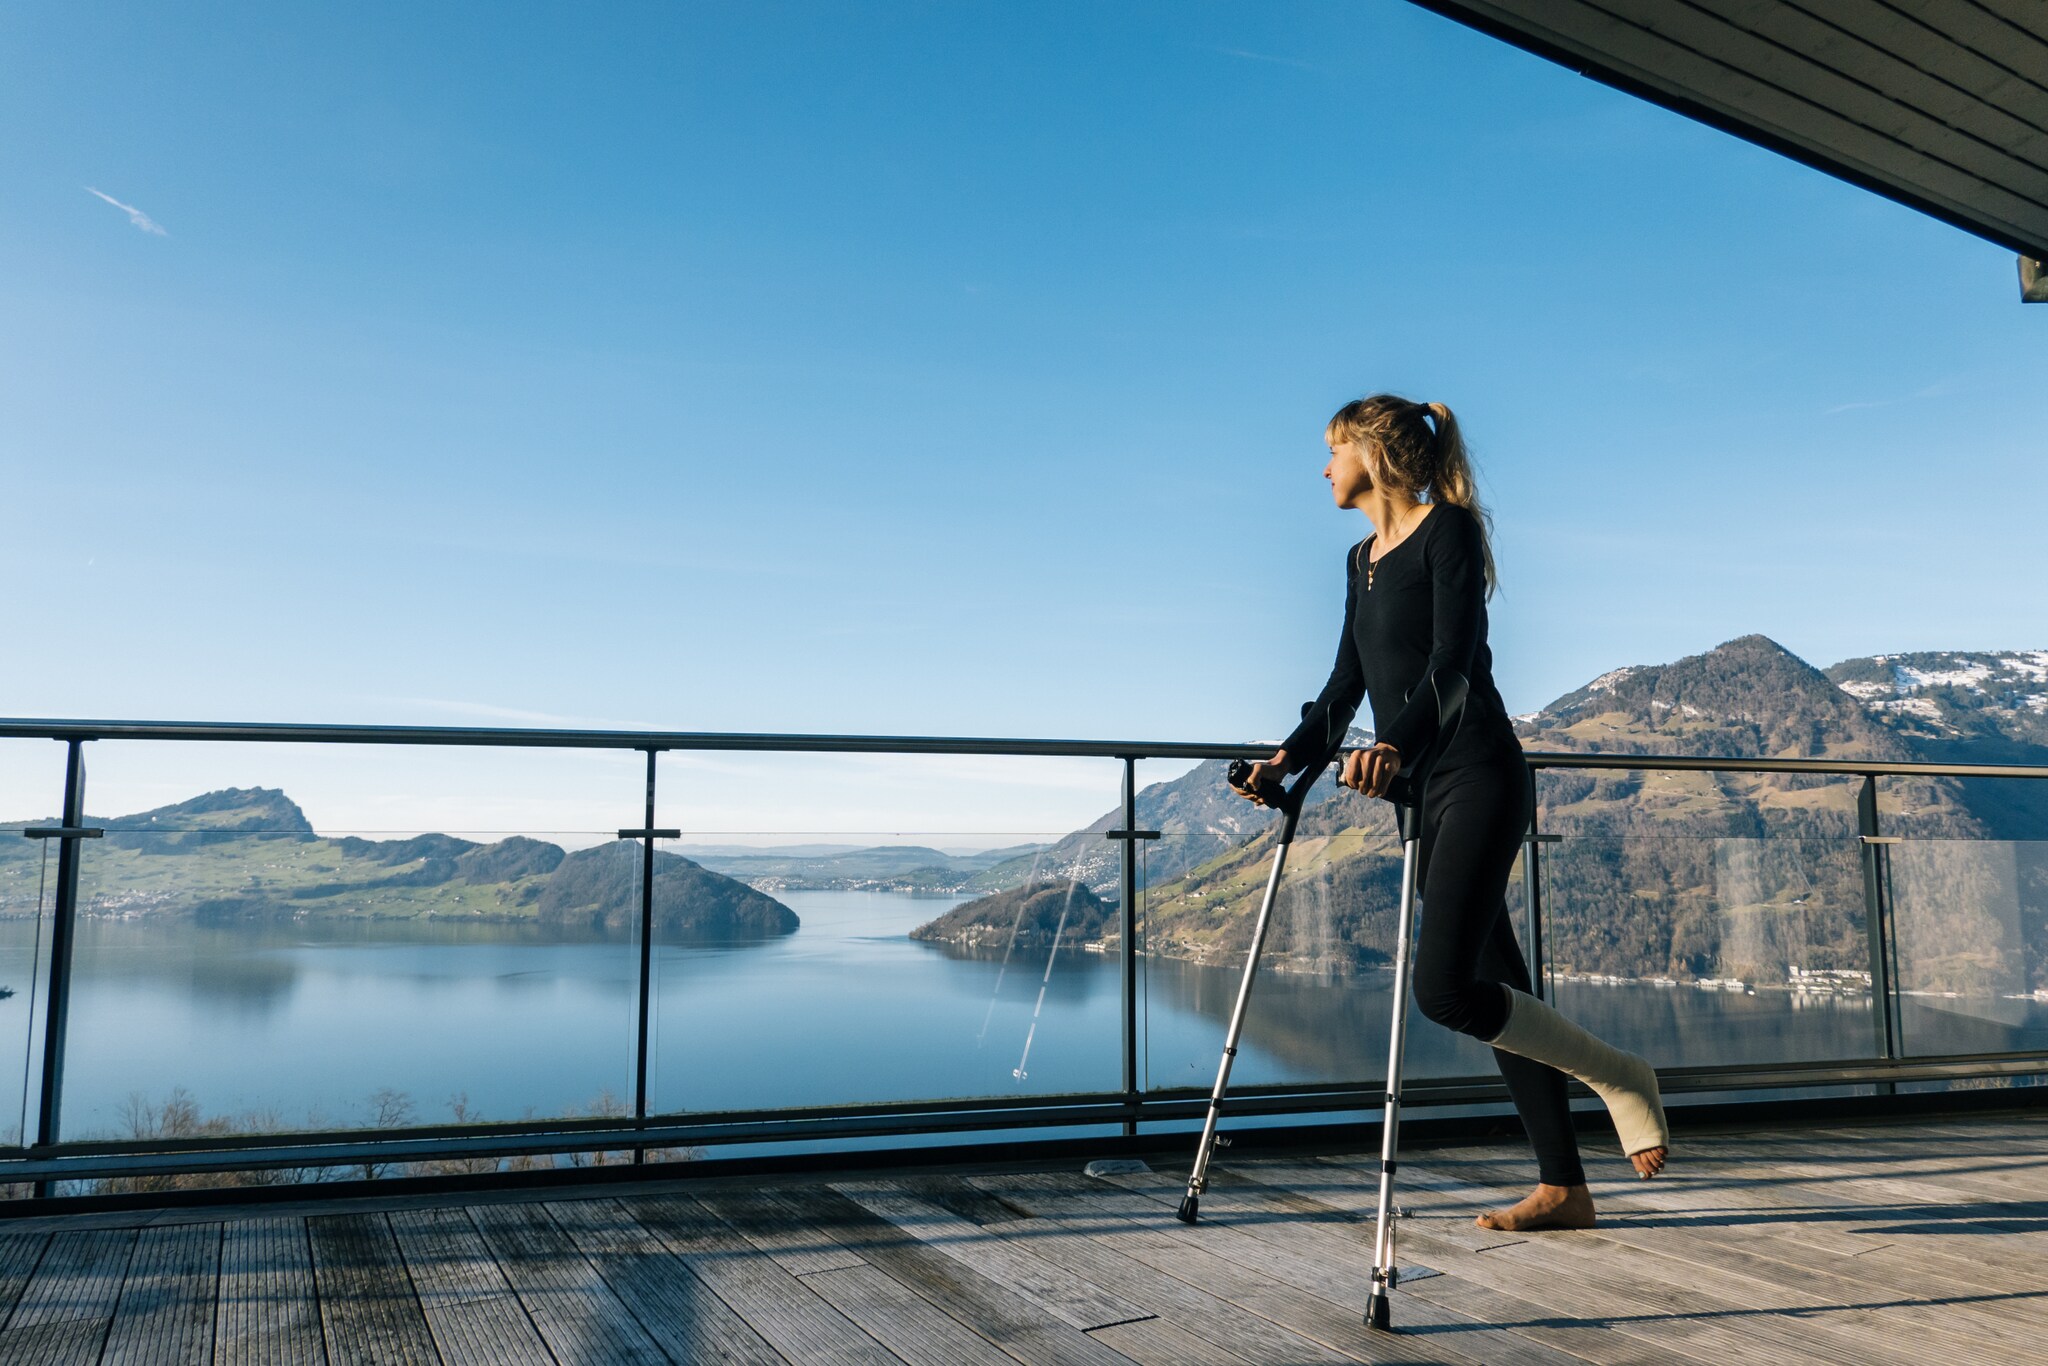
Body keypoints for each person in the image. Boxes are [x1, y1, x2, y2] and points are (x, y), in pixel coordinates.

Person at [1229, 395, 1668, 1232]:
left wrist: (1392, 744)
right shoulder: (1358, 560)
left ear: (1375, 454)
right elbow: (1340, 690)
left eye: (1333, 450)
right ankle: (1565, 1187)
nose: (1323, 468)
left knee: (1445, 991)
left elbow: (1453, 667)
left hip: (1477, 773)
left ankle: (1620, 1075)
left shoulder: (1449, 532)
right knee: (1501, 988)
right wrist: (1283, 761)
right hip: (1423, 789)